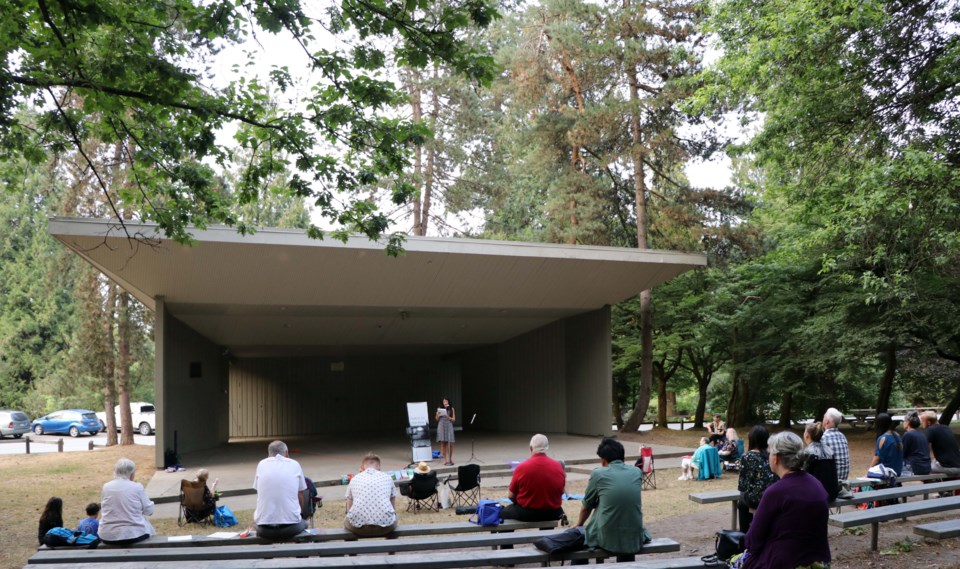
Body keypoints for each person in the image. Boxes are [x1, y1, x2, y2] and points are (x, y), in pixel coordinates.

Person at [736, 432, 830, 569]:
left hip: (783, 562)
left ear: (776, 458)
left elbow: (752, 540)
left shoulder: (776, 492)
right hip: (817, 560)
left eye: (769, 452)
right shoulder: (816, 484)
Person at [573, 438, 650, 561]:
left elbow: (587, 505)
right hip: (634, 535)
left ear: (603, 460)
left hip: (607, 535)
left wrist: (579, 524)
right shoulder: (636, 472)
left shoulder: (598, 474)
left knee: (580, 542)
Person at [502, 434, 566, 522]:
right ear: (546, 448)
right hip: (552, 512)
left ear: (531, 448)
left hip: (527, 512)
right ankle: (546, 534)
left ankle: (508, 535)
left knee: (503, 513)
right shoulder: (558, 466)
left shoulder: (521, 467)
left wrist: (518, 502)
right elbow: (561, 491)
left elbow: (510, 495)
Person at [253, 440, 307, 541]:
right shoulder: (295, 464)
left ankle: (266, 556)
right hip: (291, 528)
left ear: (269, 453)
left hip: (264, 529)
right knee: (304, 523)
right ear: (286, 453)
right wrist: (299, 514)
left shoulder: (261, 464)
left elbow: (259, 492)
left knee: (257, 525)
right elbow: (301, 494)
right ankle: (301, 556)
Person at [99, 458, 155, 545]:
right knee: (146, 525)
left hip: (107, 535)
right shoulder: (137, 487)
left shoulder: (106, 487)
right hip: (134, 534)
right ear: (131, 473)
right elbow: (149, 511)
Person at [345, 452, 398, 537]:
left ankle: (352, 548)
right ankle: (392, 549)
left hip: (358, 527)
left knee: (347, 520)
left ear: (362, 467)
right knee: (393, 518)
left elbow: (349, 506)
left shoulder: (355, 479)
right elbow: (393, 504)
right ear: (379, 467)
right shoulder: (387, 478)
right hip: (385, 527)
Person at [736, 425, 778, 533]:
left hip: (758, 499)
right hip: (773, 495)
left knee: (742, 503)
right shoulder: (772, 455)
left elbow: (742, 485)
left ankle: (744, 535)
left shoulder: (747, 456)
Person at [803, 422, 839, 502]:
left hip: (816, 495)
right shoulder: (829, 450)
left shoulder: (807, 452)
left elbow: (803, 478)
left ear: (807, 435)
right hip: (832, 494)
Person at [921, 411, 960, 476]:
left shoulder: (930, 429)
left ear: (928, 422)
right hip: (958, 464)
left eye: (922, 421)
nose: (921, 423)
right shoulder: (946, 428)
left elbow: (926, 449)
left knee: (922, 468)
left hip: (948, 468)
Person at [821, 407, 850, 483]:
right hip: (844, 479)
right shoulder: (842, 436)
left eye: (824, 417)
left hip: (832, 483)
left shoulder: (823, 438)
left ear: (827, 421)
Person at [901, 411, 931, 475]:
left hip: (914, 468)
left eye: (904, 421)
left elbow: (902, 453)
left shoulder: (908, 434)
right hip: (926, 466)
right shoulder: (922, 434)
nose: (903, 423)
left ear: (908, 422)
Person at [436, 398, 456, 466]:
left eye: (446, 401)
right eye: (444, 401)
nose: (445, 402)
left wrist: (448, 417)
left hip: (449, 425)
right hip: (441, 425)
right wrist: (437, 415)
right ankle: (444, 459)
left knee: (450, 443)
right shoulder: (439, 408)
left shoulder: (451, 408)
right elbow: (437, 419)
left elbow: (453, 419)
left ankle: (450, 459)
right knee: (443, 443)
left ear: (448, 402)